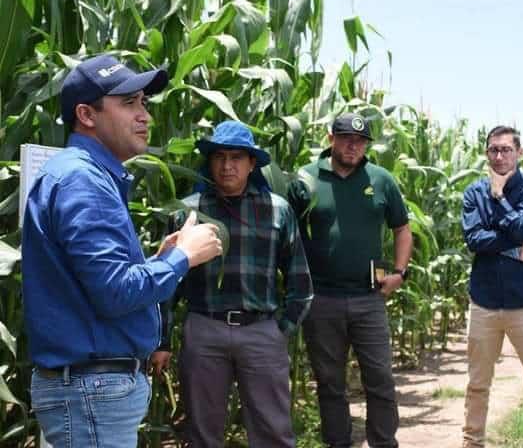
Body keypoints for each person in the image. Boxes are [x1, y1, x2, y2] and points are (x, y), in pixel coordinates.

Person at [22, 54, 223, 447]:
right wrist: (182, 258)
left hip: (89, 389)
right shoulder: (83, 180)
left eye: (144, 102)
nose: (144, 115)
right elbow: (115, 293)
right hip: (90, 390)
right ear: (87, 114)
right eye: (129, 103)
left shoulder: (84, 175)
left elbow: (91, 287)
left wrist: (160, 260)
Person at [150, 121, 314, 447]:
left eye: (237, 157)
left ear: (252, 163)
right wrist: (163, 340)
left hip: (261, 331)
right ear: (210, 161)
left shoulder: (277, 211)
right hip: (205, 329)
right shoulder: (189, 212)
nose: (227, 166)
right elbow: (167, 283)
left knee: (273, 433)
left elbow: (300, 282)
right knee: (201, 432)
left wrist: (280, 330)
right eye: (219, 157)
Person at [287, 113, 413, 448]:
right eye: (345, 138)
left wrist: (400, 272)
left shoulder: (381, 179)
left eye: (359, 141)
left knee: (381, 380)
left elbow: (402, 227)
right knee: (330, 384)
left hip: (368, 298)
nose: (352, 145)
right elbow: (289, 233)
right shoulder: (306, 179)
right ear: (330, 138)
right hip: (321, 300)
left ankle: (384, 443)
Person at [461, 125, 523, 448]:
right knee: (477, 384)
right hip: (484, 302)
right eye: (493, 150)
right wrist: (518, 244)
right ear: (487, 153)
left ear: (519, 152)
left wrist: (499, 197)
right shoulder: (473, 192)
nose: (499, 156)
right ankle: (473, 442)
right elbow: (474, 239)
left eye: (506, 149)